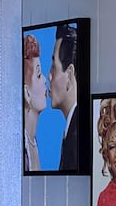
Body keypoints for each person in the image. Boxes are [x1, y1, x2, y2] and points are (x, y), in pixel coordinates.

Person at [49, 24, 79, 171]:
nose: (49, 76)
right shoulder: (71, 129)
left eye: (53, 67)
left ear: (69, 74)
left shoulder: (76, 135)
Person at [23, 33, 46, 172]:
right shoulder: (20, 149)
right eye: (38, 74)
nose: (44, 79)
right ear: (26, 93)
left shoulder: (33, 142)